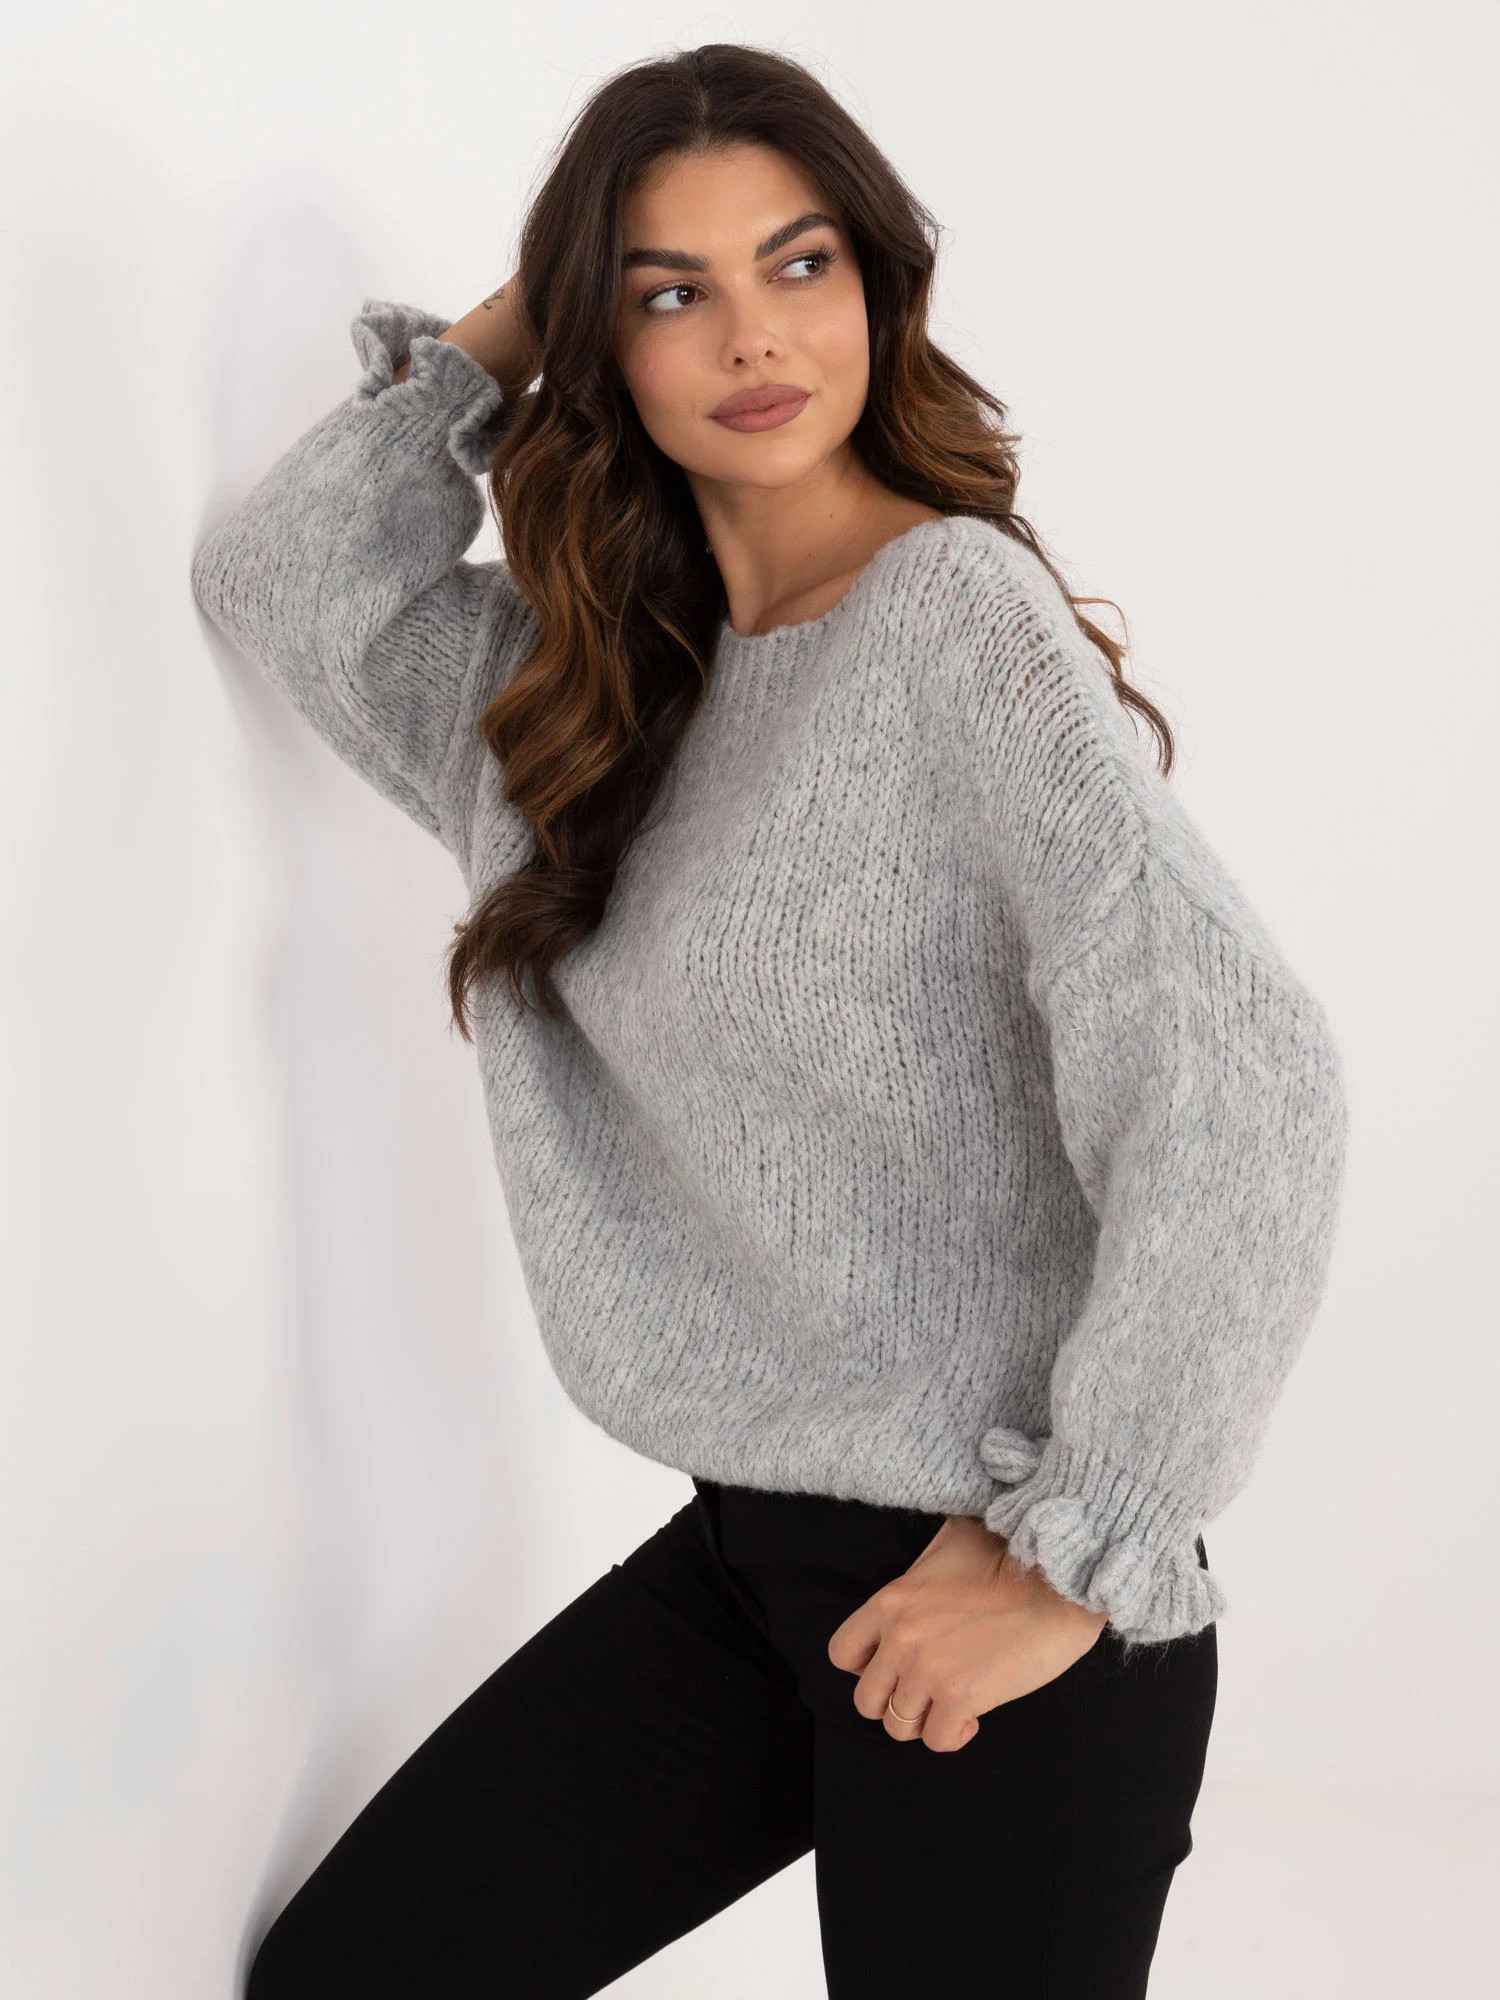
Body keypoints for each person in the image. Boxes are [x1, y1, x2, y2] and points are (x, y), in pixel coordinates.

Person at [190, 41, 1349, 2000]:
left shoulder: (955, 619)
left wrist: (1078, 1544)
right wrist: (519, 319)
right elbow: (289, 579)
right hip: (748, 1567)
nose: (752, 335)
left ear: (879, 286)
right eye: (671, 291)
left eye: (800, 264)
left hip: (998, 1589)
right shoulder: (585, 700)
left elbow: (1248, 1081)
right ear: (602, 342)